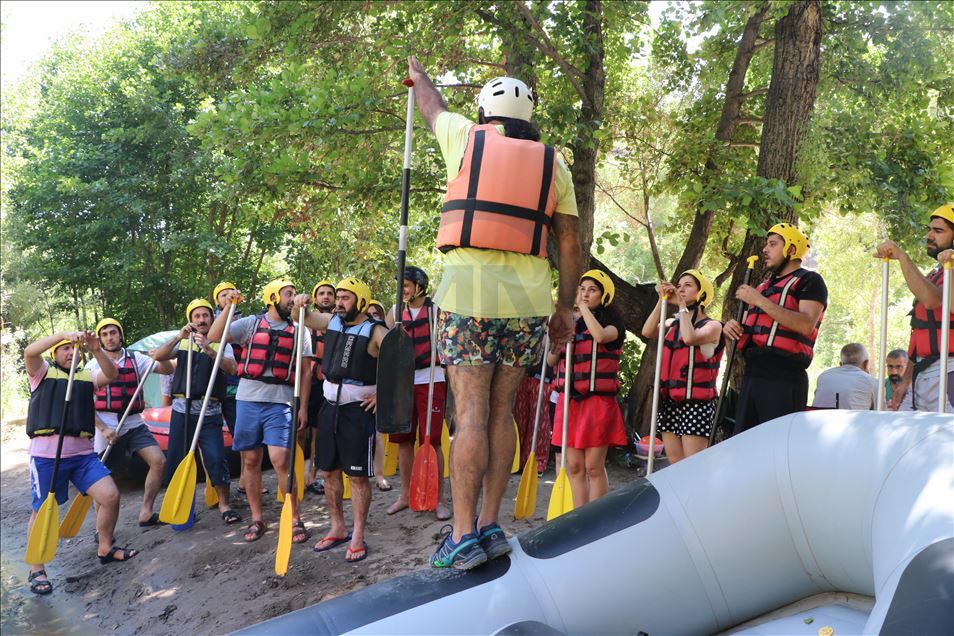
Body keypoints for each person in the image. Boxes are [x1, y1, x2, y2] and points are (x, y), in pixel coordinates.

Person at [408, 56, 582, 570]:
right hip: (527, 306)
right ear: (530, 117)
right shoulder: (555, 162)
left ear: (485, 111)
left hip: (468, 300)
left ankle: (461, 534)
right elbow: (569, 243)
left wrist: (420, 79)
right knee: (502, 412)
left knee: (471, 416)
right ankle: (489, 524)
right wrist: (564, 308)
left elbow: (432, 106)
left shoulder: (466, 137)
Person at [24, 332, 137, 595]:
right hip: (46, 457)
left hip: (83, 455)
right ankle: (36, 569)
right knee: (41, 511)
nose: (68, 352)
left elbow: (111, 374)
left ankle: (105, 547)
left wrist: (96, 349)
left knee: (110, 496)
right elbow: (30, 351)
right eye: (63, 349)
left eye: (71, 349)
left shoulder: (87, 376)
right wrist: (63, 335)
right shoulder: (41, 373)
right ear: (54, 354)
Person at [208, 280, 312, 544]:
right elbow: (214, 336)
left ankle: (294, 517)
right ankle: (258, 518)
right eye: (287, 294)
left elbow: (306, 372)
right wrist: (228, 306)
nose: (291, 298)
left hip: (281, 402)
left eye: (292, 294)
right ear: (273, 297)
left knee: (280, 459)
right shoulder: (250, 324)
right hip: (248, 399)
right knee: (251, 461)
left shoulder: (301, 330)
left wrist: (303, 408)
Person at [294, 277, 388, 563]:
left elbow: (401, 364)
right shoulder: (331, 321)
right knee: (328, 472)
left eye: (345, 297)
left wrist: (382, 396)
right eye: (338, 297)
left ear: (360, 301)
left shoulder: (376, 331)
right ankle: (338, 527)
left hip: (358, 412)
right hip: (329, 408)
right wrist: (300, 302)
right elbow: (304, 316)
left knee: (357, 477)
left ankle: (358, 533)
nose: (339, 302)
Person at [723, 223, 828, 434]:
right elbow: (746, 338)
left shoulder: (810, 281)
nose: (765, 250)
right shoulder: (763, 288)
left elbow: (806, 324)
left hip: (784, 379)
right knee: (746, 446)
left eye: (773, 244)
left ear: (791, 249)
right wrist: (732, 329)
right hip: (753, 376)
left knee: (776, 449)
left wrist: (760, 301)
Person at [152, 299, 241, 525]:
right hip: (182, 412)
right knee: (177, 460)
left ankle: (224, 504)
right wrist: (178, 337)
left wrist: (209, 350)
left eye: (206, 316)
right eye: (197, 316)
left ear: (212, 318)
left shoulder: (222, 342)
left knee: (216, 458)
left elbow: (232, 368)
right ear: (191, 320)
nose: (202, 320)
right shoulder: (182, 342)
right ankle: (183, 507)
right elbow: (159, 356)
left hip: (210, 412)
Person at [548, 271, 627, 506]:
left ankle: (595, 518)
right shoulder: (570, 323)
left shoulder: (614, 324)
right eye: (582, 289)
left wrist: (580, 309)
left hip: (597, 404)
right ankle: (577, 516)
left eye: (592, 289)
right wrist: (559, 341)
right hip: (570, 402)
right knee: (574, 466)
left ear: (604, 295)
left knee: (593, 467)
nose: (585, 293)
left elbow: (601, 336)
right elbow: (551, 362)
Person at [87, 318, 173, 527]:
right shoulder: (92, 365)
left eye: (113, 333)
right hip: (106, 423)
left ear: (120, 335)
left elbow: (167, 370)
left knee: (159, 462)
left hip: (133, 421)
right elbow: (84, 404)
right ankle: (102, 528)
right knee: (102, 479)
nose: (109, 338)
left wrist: (160, 357)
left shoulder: (136, 359)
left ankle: (146, 511)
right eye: (105, 334)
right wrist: (103, 428)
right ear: (100, 339)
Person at [384, 266, 450, 520]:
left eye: (407, 285)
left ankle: (439, 498)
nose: (403, 290)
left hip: (432, 379)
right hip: (403, 383)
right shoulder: (394, 313)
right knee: (403, 440)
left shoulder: (436, 311)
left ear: (419, 286)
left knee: (431, 440)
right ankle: (405, 495)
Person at [875, 204, 954, 412]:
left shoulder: (949, 273)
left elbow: (933, 300)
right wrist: (906, 380)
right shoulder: (936, 274)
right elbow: (919, 333)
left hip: (950, 371)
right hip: (923, 372)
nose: (929, 236)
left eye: (938, 231)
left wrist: (902, 257)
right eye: (929, 229)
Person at [642, 269, 724, 463]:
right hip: (671, 403)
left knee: (692, 467)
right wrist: (661, 301)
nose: (681, 289)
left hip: (697, 405)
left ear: (702, 294)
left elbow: (690, 338)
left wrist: (680, 304)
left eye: (688, 285)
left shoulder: (713, 326)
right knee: (675, 466)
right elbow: (647, 331)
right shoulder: (672, 323)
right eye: (679, 286)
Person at [305, 280, 335, 496]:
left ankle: (312, 476)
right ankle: (294, 475)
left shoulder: (339, 323)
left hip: (327, 383)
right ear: (315, 298)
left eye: (329, 293)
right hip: (307, 382)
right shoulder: (305, 323)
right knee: (299, 431)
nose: (326, 297)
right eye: (321, 293)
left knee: (318, 433)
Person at [811, 343, 879, 410]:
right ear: (866, 364)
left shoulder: (823, 376)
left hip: (818, 420)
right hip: (853, 421)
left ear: (841, 364)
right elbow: (880, 412)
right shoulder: (871, 381)